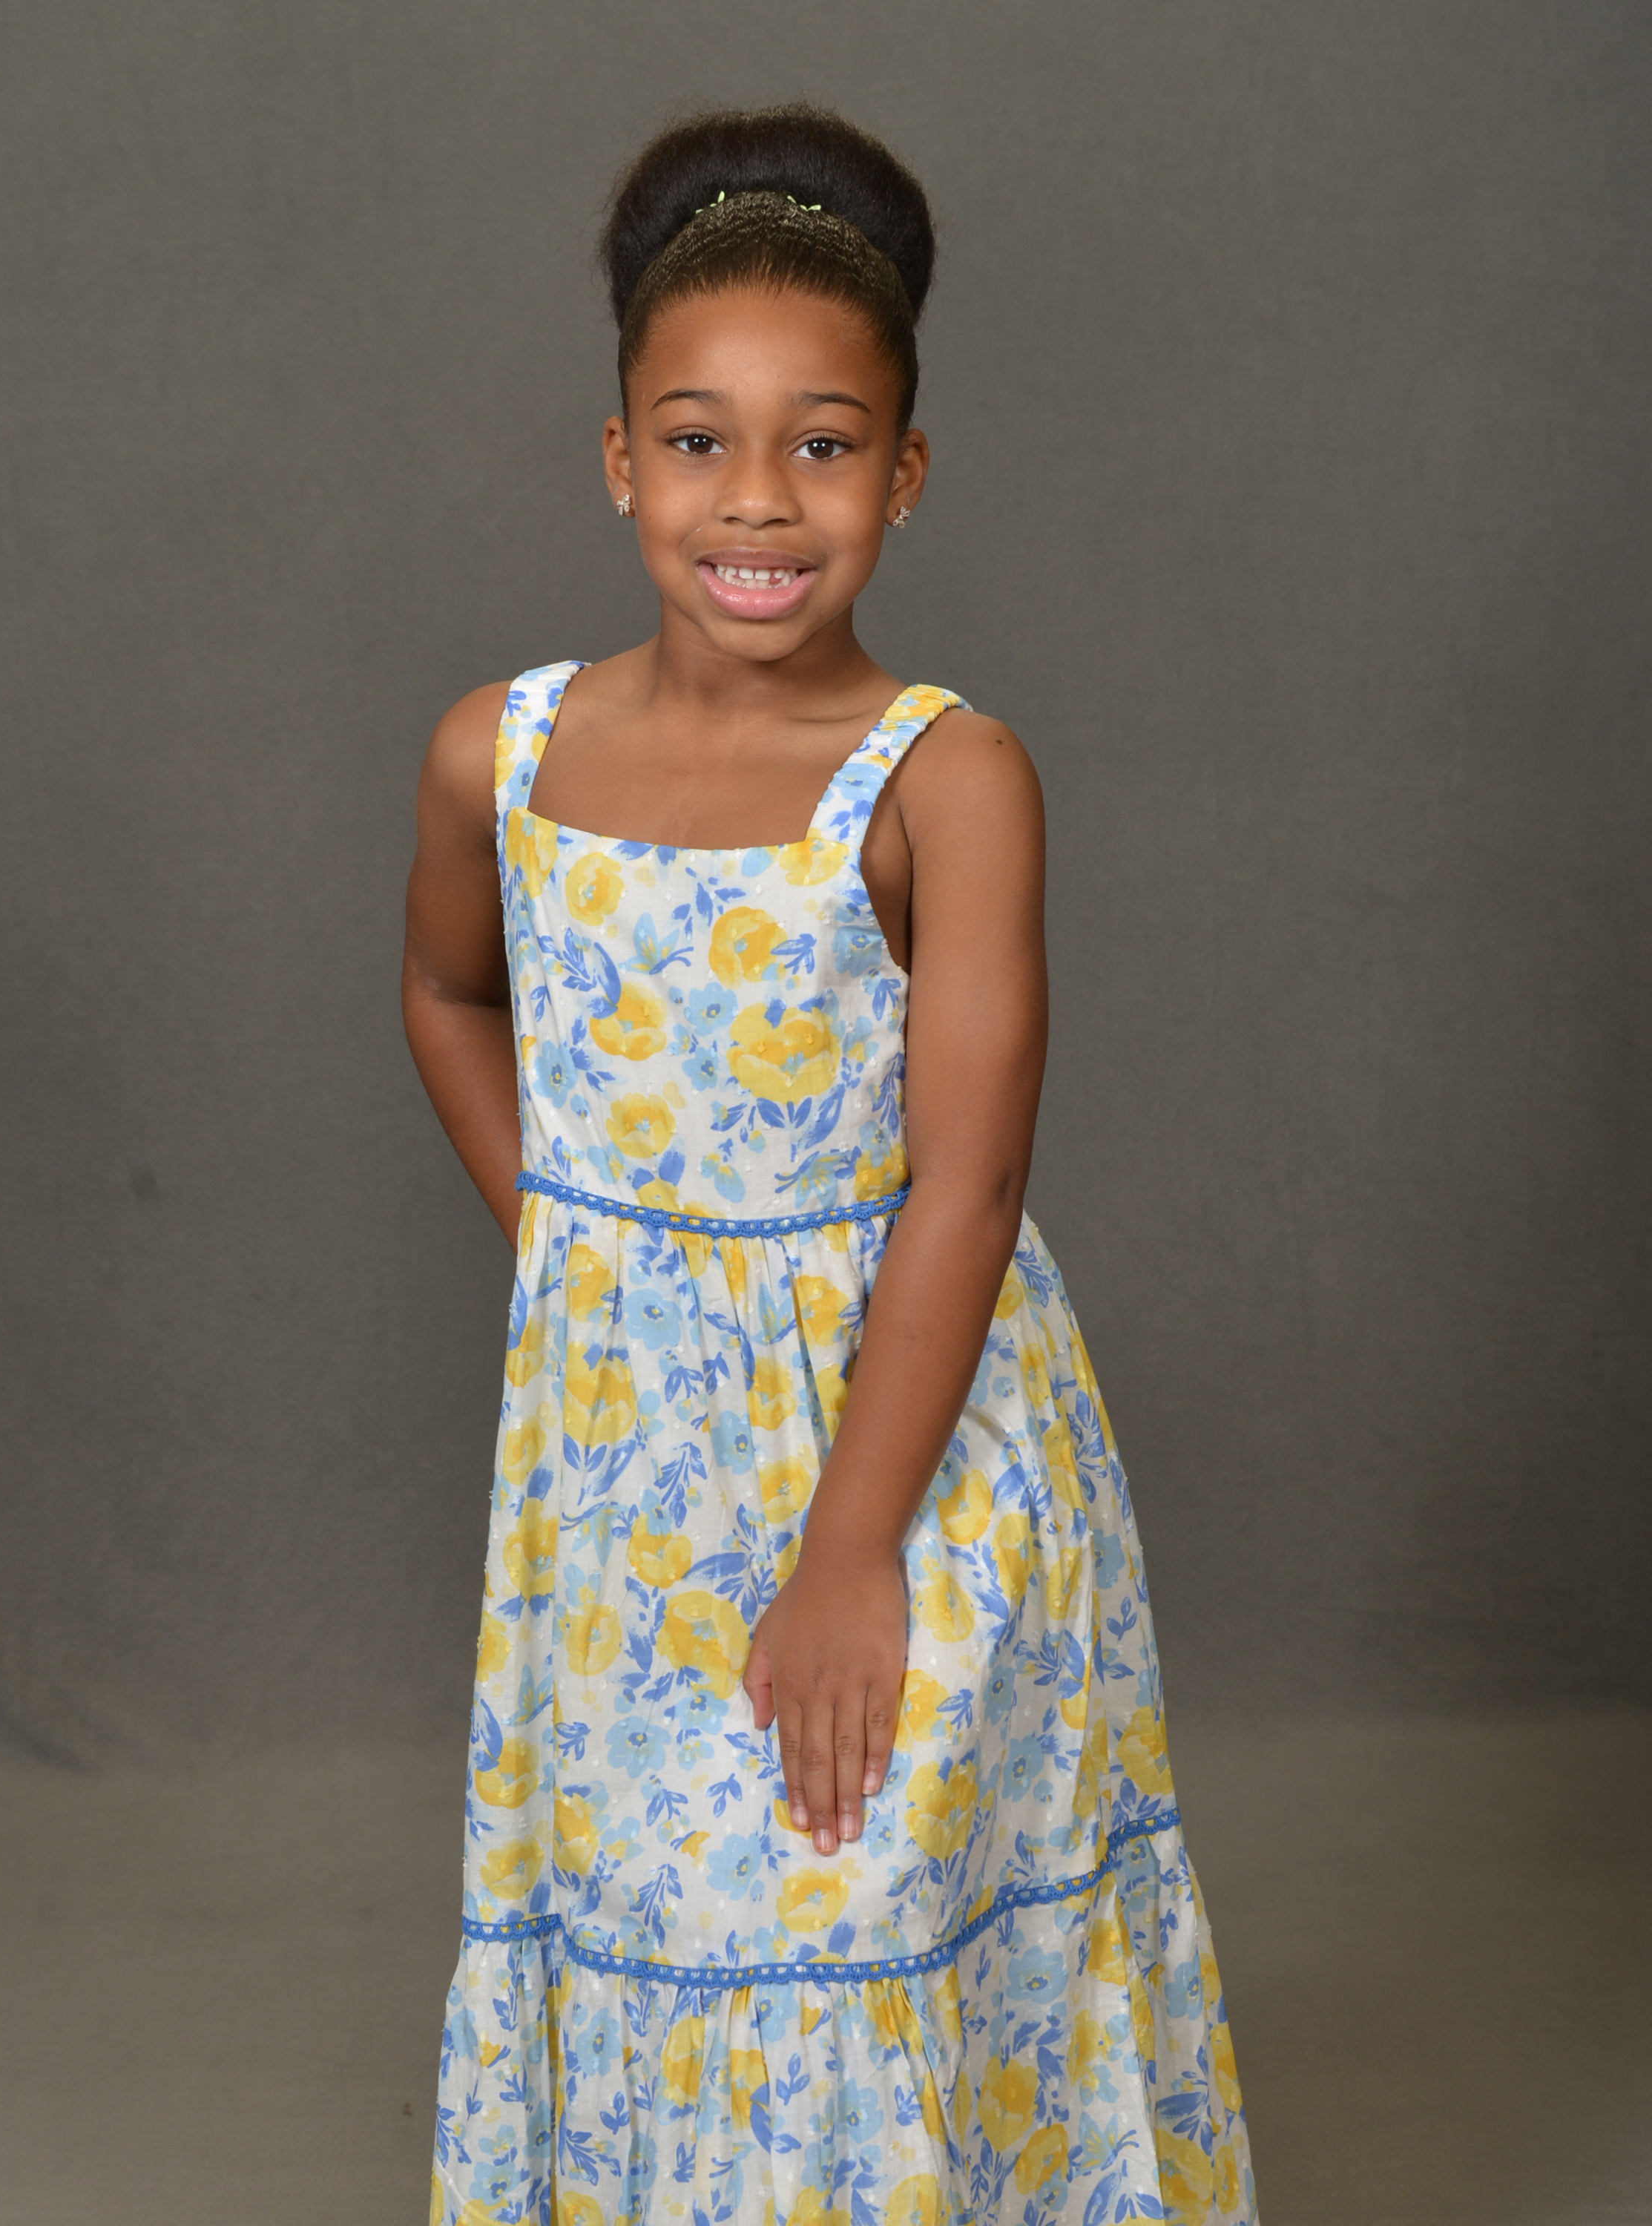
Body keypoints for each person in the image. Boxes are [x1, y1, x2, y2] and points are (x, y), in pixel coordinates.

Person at [404, 102, 1257, 2226]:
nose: (760, 500)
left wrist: (856, 1548)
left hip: (908, 1436)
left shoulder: (944, 781)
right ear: (621, 460)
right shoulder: (500, 753)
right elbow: (446, 994)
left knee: (856, 1905)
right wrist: (584, 1252)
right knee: (656, 1920)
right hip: (626, 1473)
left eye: (826, 444)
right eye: (700, 441)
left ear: (907, 472)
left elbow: (968, 1183)